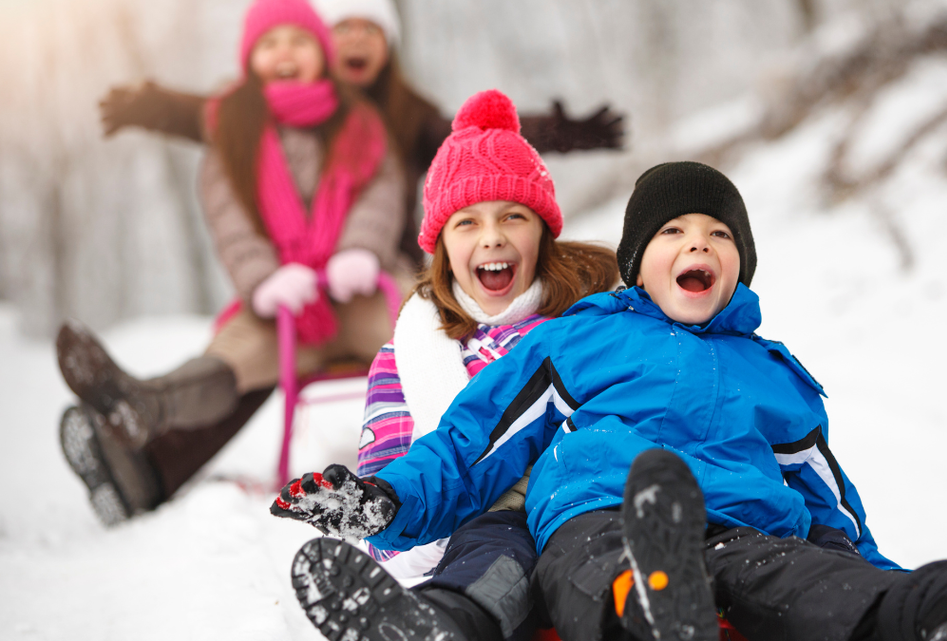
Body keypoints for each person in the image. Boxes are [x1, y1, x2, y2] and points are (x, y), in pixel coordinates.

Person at [270, 161, 947, 641]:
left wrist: (873, 575)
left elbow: (829, 506)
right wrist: (383, 499)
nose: (699, 244)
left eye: (720, 235)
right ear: (637, 260)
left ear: (739, 266)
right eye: (675, 232)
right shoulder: (580, 337)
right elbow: (473, 438)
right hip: (599, 516)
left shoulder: (774, 372)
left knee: (822, 585)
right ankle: (648, 606)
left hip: (746, 531)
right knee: (596, 564)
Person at [274, 87, 618, 641]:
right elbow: (390, 461)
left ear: (542, 233)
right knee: (496, 553)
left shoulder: (587, 328)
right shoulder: (405, 357)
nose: (492, 237)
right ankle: (430, 626)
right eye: (467, 223)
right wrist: (371, 504)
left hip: (583, 512)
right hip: (470, 530)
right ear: (440, 244)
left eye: (513, 216)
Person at [59, 0, 408, 526]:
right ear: (250, 59)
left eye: (299, 41)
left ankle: (479, 434)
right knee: (232, 357)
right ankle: (142, 405)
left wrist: (361, 247)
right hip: (285, 303)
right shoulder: (234, 129)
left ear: (322, 52)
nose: (284, 52)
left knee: (421, 331)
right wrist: (263, 278)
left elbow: (382, 189)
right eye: (270, 44)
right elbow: (230, 215)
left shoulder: (358, 122)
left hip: (358, 288)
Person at [97, 0, 625, 267]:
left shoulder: (405, 115)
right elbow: (216, 116)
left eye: (369, 29)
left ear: (386, 46)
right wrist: (154, 105)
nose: (356, 39)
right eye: (342, 27)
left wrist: (555, 131)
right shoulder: (291, 109)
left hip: (383, 261)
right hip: (297, 267)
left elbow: (471, 132)